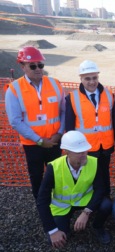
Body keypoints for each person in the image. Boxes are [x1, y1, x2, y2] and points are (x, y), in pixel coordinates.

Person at [5, 46, 65, 199]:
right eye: (33, 65)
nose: (38, 69)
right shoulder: (14, 89)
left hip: (54, 141)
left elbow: (64, 111)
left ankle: (58, 203)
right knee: (36, 176)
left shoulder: (55, 84)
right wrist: (39, 140)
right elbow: (15, 121)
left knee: (57, 175)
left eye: (41, 65)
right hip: (32, 144)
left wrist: (59, 134)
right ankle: (41, 204)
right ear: (22, 66)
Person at [36, 131, 112, 249]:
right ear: (66, 152)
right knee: (56, 239)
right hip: (63, 207)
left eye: (85, 150)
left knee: (106, 204)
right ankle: (65, 225)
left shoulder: (94, 162)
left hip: (84, 201)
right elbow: (42, 200)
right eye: (79, 152)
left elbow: (100, 190)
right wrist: (52, 231)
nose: (84, 154)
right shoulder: (53, 168)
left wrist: (87, 212)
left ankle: (98, 226)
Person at [65, 60, 114, 197]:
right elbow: (69, 127)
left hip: (105, 146)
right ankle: (90, 203)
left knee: (104, 173)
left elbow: (113, 120)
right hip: (85, 148)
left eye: (95, 78)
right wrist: (72, 149)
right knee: (88, 176)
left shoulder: (109, 95)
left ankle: (105, 200)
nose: (92, 82)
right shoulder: (72, 98)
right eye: (87, 78)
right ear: (80, 78)